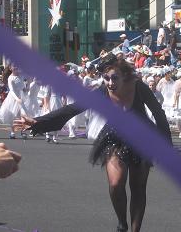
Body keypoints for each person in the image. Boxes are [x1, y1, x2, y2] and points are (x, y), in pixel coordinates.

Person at [13, 53, 172, 232]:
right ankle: (122, 223)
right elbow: (72, 109)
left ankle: (135, 230)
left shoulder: (139, 87)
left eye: (114, 78)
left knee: (138, 187)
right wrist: (39, 121)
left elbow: (159, 114)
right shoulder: (103, 91)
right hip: (115, 137)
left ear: (124, 75)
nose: (110, 83)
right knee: (115, 183)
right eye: (106, 78)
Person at [0, 66, 28, 139]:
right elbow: (11, 90)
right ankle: (12, 132)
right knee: (11, 115)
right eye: (14, 67)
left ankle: (23, 131)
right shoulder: (10, 78)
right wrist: (17, 98)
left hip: (21, 97)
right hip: (13, 98)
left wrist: (25, 89)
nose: (16, 68)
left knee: (23, 114)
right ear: (10, 69)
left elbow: (22, 86)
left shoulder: (21, 76)